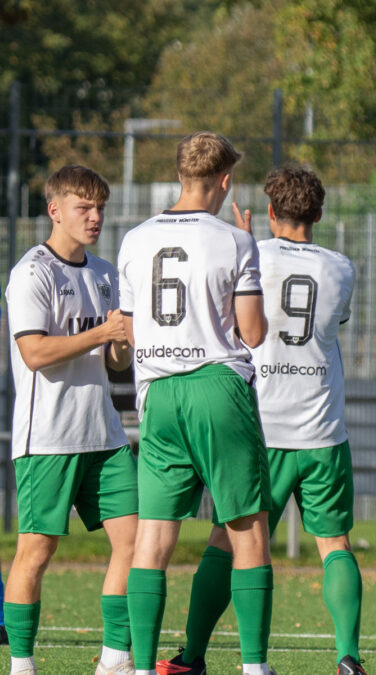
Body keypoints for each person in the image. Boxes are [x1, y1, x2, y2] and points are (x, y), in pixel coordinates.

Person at [156, 166, 362, 675]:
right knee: (335, 545)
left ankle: (194, 655)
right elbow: (332, 324)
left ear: (271, 212)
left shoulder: (247, 251)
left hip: (257, 429)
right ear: (318, 214)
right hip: (321, 429)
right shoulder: (341, 267)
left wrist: (247, 245)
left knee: (227, 541)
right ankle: (349, 657)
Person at [117, 131, 274, 675]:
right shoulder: (234, 240)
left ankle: (141, 668)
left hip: (158, 393)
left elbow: (133, 332)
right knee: (248, 528)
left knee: (153, 538)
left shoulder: (134, 239)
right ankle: (254, 667)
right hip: (217, 387)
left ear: (180, 175)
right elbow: (252, 332)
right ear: (225, 179)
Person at [4, 165, 138, 675]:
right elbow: (35, 352)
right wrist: (103, 334)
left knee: (136, 539)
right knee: (35, 552)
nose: (95, 216)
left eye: (100, 207)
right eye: (84, 207)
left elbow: (117, 363)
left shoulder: (104, 273)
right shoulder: (31, 272)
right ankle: (21, 664)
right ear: (55, 210)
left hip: (103, 436)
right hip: (48, 439)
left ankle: (115, 659)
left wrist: (121, 341)